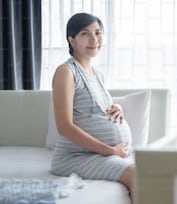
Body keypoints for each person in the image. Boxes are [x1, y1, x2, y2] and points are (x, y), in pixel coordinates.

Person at [50, 13, 134, 201]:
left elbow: (95, 108)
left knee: (157, 172)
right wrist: (111, 151)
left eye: (98, 33)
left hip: (102, 153)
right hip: (76, 156)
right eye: (85, 34)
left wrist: (117, 106)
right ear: (72, 40)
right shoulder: (66, 72)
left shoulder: (97, 74)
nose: (94, 39)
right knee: (139, 176)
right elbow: (64, 127)